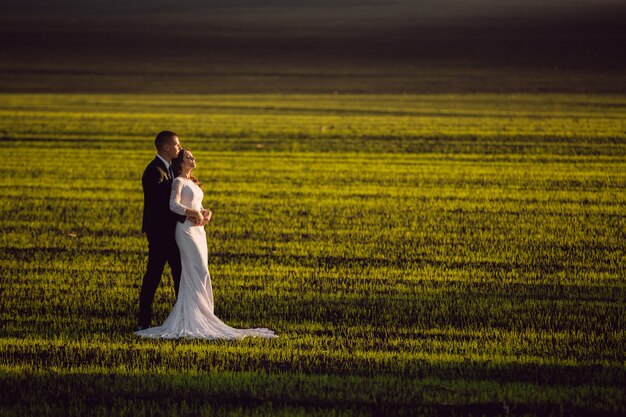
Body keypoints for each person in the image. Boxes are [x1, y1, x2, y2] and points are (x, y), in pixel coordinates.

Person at [135, 149, 277, 339]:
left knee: (200, 272)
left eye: (193, 156)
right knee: (196, 270)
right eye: (188, 157)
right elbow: (173, 205)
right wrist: (193, 214)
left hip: (198, 231)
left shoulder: (191, 181)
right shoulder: (176, 180)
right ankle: (191, 317)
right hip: (185, 231)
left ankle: (201, 314)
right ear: (181, 163)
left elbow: (196, 205)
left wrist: (205, 212)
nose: (193, 159)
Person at [136, 131, 184, 331]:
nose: (179, 148)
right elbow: (163, 206)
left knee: (179, 275)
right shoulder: (154, 171)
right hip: (159, 235)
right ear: (166, 147)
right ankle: (143, 321)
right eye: (176, 145)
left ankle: (181, 317)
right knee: (153, 276)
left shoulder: (171, 168)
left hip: (173, 234)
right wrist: (187, 215)